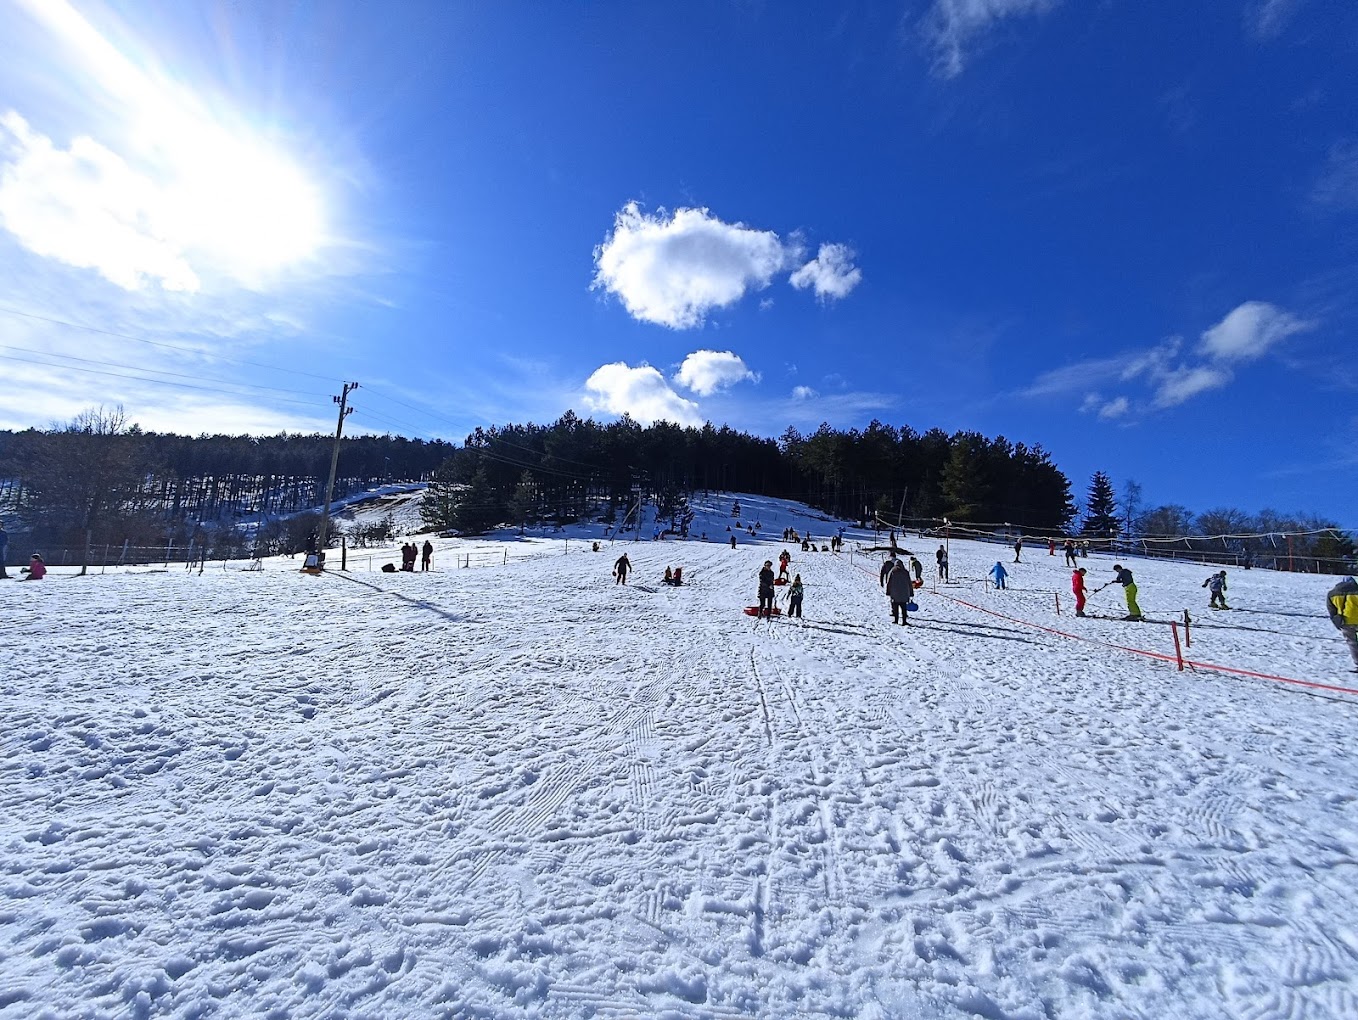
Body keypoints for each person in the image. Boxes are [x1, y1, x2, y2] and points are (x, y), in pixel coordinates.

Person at [1326, 576, 1358, 671]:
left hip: (1345, 621)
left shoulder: (1332, 594)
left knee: (1352, 642)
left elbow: (1332, 611)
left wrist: (1337, 622)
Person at [886, 558, 914, 625]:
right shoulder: (905, 572)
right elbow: (909, 583)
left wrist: (888, 591)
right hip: (904, 593)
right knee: (903, 608)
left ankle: (896, 620)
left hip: (895, 593)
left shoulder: (892, 571)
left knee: (895, 607)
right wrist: (911, 592)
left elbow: (889, 582)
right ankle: (904, 621)